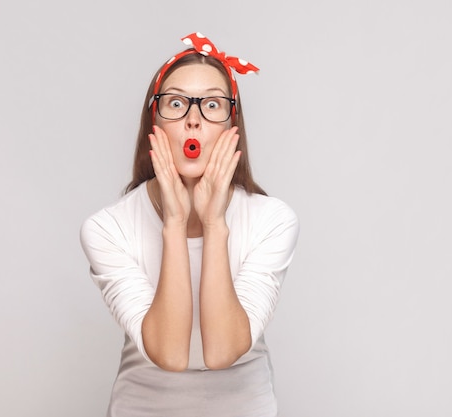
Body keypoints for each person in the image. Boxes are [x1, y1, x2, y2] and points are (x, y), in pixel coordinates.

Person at [80, 32, 300, 417]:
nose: (193, 121)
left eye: (212, 105)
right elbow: (168, 354)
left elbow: (222, 351)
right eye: (177, 103)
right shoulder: (107, 229)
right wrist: (174, 224)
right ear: (155, 121)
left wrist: (214, 225)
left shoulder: (273, 220)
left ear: (233, 124)